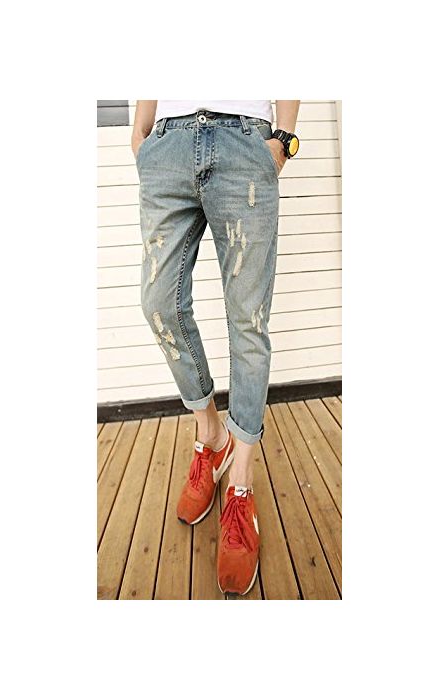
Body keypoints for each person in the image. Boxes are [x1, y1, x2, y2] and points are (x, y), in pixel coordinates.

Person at [131, 100, 300, 595]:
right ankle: (212, 434)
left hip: (244, 141)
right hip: (167, 145)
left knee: (248, 321)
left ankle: (241, 482)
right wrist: (141, 137)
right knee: (159, 305)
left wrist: (281, 141)